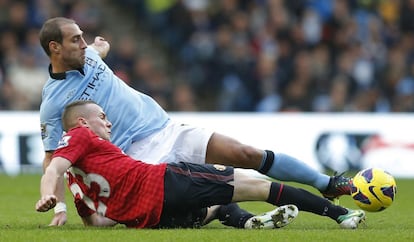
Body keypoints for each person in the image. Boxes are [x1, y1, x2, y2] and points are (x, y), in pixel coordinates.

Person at [38, 17, 353, 226]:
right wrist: (61, 208)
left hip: (164, 129)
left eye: (82, 38)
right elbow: (53, 156)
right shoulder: (53, 102)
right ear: (55, 48)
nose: (83, 43)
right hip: (134, 161)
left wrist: (100, 47)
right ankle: (236, 218)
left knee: (245, 154)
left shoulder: (87, 55)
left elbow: (97, 50)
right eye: (75, 40)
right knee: (201, 199)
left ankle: (326, 184)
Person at [35, 100, 365, 229]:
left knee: (217, 206)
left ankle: (249, 224)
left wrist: (125, 212)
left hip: (149, 217)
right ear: (82, 122)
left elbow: (96, 222)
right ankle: (340, 214)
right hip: (165, 181)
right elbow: (53, 167)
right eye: (102, 118)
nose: (108, 124)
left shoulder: (79, 185)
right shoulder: (79, 135)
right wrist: (48, 199)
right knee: (254, 184)